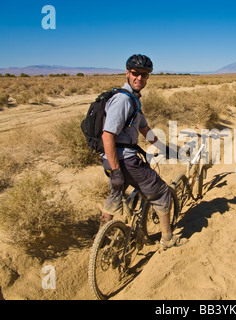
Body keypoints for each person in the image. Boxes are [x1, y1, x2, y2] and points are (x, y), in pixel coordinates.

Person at [101, 54, 181, 250]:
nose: (140, 78)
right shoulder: (123, 100)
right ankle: (167, 239)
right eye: (136, 73)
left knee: (115, 195)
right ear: (127, 73)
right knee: (162, 193)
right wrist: (117, 169)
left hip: (113, 160)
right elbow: (107, 135)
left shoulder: (133, 99)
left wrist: (164, 148)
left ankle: (101, 240)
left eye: (144, 75)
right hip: (124, 161)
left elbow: (144, 129)